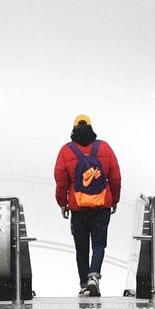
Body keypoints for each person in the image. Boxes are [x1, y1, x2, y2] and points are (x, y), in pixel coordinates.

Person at [54, 114, 121, 297]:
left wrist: (62, 203)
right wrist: (114, 199)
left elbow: (61, 181)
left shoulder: (66, 151)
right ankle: (94, 276)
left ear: (73, 128)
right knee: (99, 244)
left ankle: (84, 284)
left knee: (81, 247)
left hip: (78, 206)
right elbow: (115, 176)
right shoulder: (104, 147)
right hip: (101, 205)